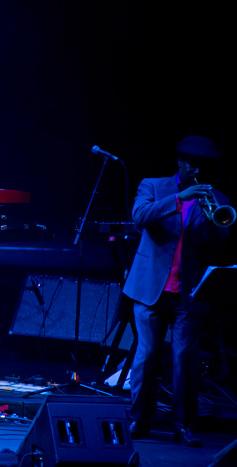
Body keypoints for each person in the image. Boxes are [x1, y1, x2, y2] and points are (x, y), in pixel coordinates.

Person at [123, 135, 231, 447]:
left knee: (185, 359)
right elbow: (140, 217)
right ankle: (137, 422)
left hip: (190, 293)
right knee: (147, 355)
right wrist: (180, 199)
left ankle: (184, 426)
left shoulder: (218, 199)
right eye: (190, 164)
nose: (195, 170)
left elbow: (220, 246)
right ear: (180, 163)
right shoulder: (154, 186)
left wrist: (213, 222)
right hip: (150, 288)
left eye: (201, 166)